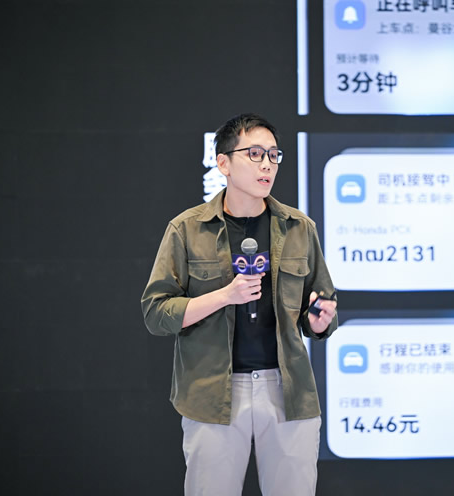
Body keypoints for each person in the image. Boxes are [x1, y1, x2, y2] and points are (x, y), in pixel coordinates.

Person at [141, 113, 338, 496]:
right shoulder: (187, 229)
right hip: (213, 392)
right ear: (223, 163)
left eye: (274, 155)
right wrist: (225, 296)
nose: (267, 165)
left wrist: (319, 319)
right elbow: (156, 312)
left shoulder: (299, 227)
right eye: (255, 154)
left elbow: (320, 309)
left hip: (287, 390)